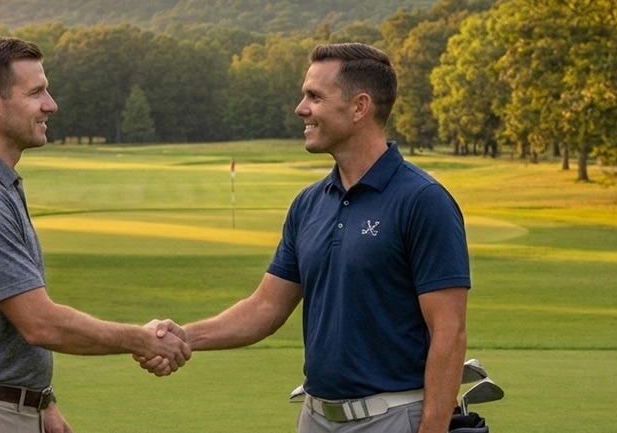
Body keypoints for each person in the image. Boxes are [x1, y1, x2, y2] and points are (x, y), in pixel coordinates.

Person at [149, 42, 472, 433]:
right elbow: (265, 307)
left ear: (358, 107)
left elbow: (449, 332)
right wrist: (186, 337)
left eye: (314, 97)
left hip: (393, 418)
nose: (301, 108)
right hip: (315, 418)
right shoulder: (309, 204)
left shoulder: (423, 201)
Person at [0, 36, 190, 433]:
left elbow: (4, 329)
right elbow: (40, 323)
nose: (51, 104)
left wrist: (42, 400)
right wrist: (142, 339)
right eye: (36, 93)